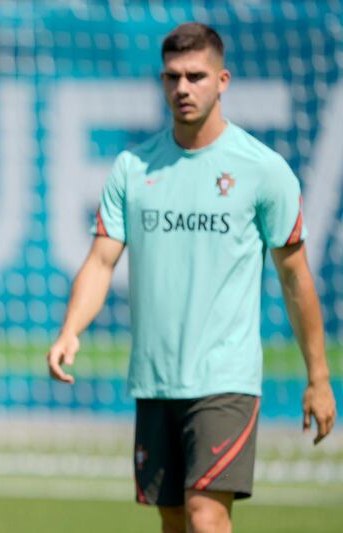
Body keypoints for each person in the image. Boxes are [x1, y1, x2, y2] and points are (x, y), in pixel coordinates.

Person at [47, 22, 336, 533]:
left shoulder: (263, 170)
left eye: (196, 76)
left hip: (225, 377)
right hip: (155, 379)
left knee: (206, 516)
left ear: (222, 81)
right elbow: (100, 262)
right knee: (176, 521)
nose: (183, 87)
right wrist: (71, 329)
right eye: (172, 76)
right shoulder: (134, 167)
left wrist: (318, 379)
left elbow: (296, 280)